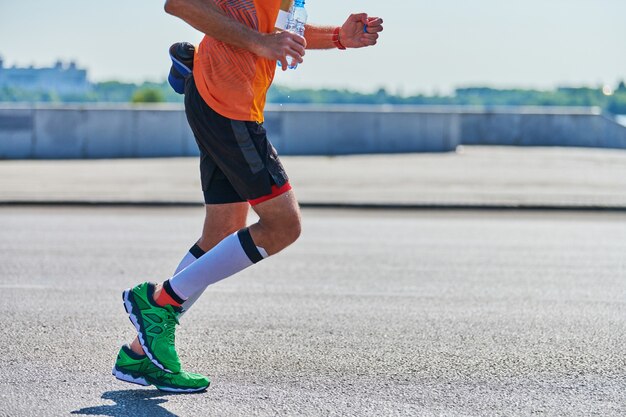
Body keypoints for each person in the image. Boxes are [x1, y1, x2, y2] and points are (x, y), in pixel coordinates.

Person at [113, 0, 383, 393]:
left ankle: (140, 354)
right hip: (226, 103)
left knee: (224, 232)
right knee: (283, 226)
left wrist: (339, 38)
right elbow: (180, 4)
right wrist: (259, 43)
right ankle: (159, 301)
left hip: (226, 101)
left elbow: (274, 29)